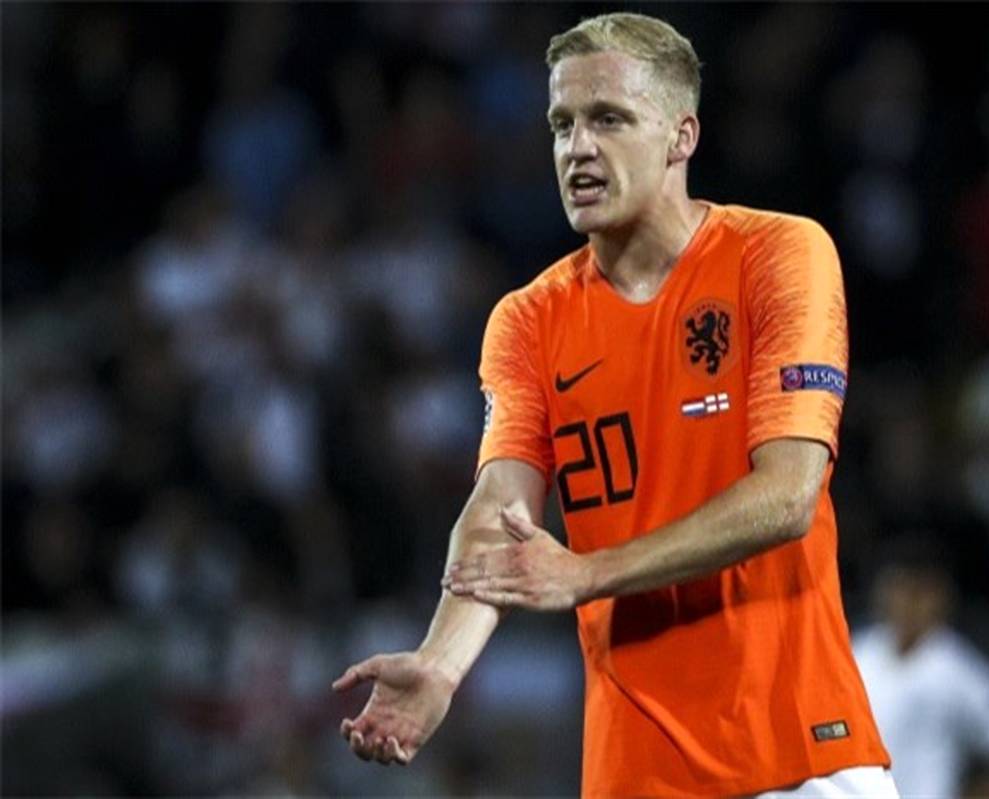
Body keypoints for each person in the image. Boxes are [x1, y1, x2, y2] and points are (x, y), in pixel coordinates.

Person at [333, 13, 895, 797]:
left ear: (681, 136)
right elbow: (500, 511)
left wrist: (586, 572)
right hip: (633, 771)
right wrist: (441, 662)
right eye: (561, 124)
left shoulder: (777, 255)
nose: (577, 148)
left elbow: (788, 495)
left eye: (608, 119)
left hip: (796, 756)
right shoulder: (529, 319)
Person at [853, 535, 989, 797]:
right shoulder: (860, 652)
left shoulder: (957, 668)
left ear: (942, 596)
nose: (908, 602)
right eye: (900, 587)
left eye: (920, 591)